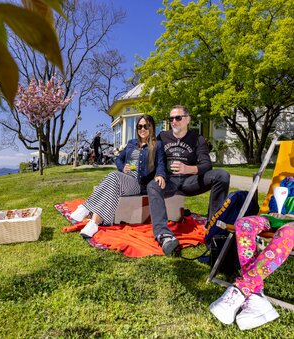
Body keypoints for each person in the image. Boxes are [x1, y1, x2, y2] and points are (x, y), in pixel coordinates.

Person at [209, 178, 294, 330]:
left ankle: (243, 288)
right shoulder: (288, 182)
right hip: (275, 219)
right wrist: (279, 207)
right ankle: (256, 295)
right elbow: (273, 206)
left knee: (288, 232)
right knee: (243, 224)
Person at [147, 105, 230, 255]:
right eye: (171, 118)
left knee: (222, 176)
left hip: (189, 181)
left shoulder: (197, 139)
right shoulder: (163, 136)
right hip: (169, 181)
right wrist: (159, 174)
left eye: (178, 118)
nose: (174, 121)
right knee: (153, 185)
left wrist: (189, 169)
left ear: (187, 120)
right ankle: (164, 235)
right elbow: (155, 157)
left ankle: (213, 225)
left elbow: (206, 164)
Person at [70, 115, 166, 237]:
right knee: (113, 180)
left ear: (151, 127)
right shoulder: (131, 143)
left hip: (139, 182)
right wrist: (122, 167)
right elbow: (118, 159)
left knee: (113, 177)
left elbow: (161, 163)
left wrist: (160, 175)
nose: (142, 129)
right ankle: (93, 223)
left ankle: (86, 208)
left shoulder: (157, 145)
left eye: (146, 126)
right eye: (139, 126)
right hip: (125, 177)